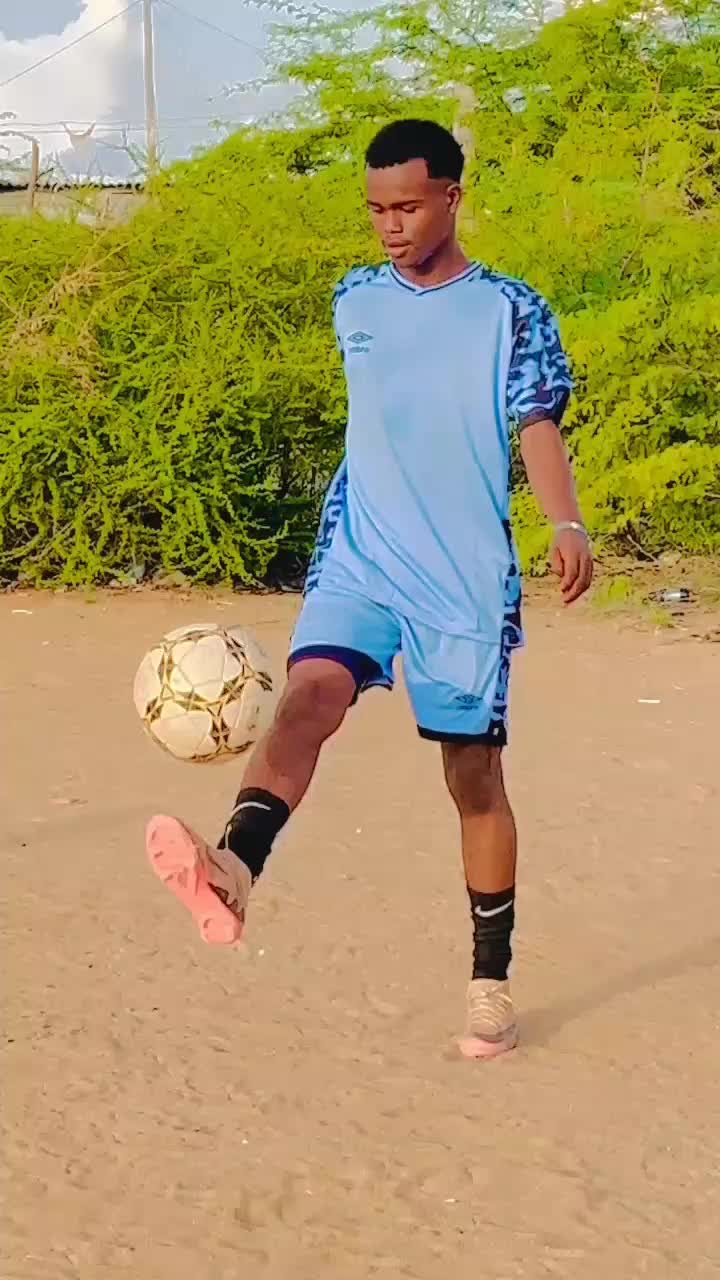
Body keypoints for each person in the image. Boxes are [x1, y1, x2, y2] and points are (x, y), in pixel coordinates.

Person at [146, 118, 593, 1059]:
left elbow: (537, 425)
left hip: (463, 580)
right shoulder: (353, 298)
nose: (390, 226)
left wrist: (565, 523)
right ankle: (233, 870)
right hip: (361, 556)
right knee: (307, 698)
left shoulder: (511, 309)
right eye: (377, 209)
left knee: (473, 778)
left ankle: (489, 984)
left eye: (408, 207)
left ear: (452, 198)